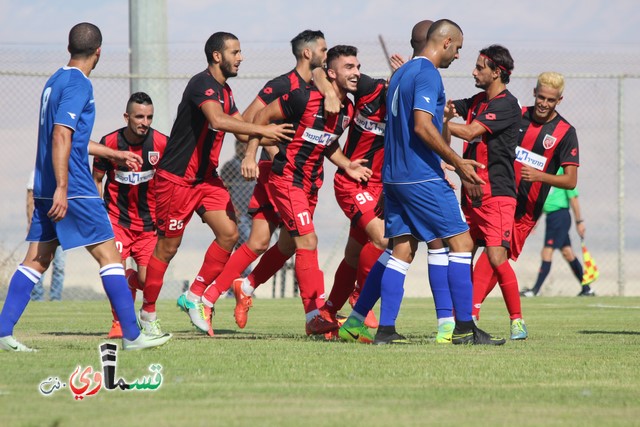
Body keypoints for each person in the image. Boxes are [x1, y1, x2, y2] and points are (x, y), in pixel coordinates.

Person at [0, 22, 171, 352]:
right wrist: (65, 187)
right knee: (109, 255)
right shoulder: (80, 84)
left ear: (69, 48)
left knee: (38, 257)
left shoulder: (54, 81)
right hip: (74, 185)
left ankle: (4, 332)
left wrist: (113, 153)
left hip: (45, 183)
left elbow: (73, 139)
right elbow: (61, 135)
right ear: (99, 52)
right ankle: (133, 336)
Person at [340, 19, 504, 346]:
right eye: (457, 49)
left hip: (396, 176)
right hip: (421, 176)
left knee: (401, 249)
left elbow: (395, 131)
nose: (457, 56)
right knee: (462, 244)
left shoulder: (400, 75)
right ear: (444, 42)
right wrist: (456, 163)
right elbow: (420, 126)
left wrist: (390, 184)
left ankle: (376, 326)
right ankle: (462, 328)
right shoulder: (428, 73)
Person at [144, 31, 292, 336]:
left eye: (240, 52)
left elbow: (240, 133)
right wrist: (262, 130)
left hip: (206, 179)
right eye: (235, 52)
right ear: (217, 56)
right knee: (167, 248)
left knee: (229, 234)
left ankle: (194, 295)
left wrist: (277, 137)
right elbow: (218, 122)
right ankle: (147, 316)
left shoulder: (226, 92)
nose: (241, 57)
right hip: (176, 179)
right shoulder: (202, 84)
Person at [196, 30, 336, 330]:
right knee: (302, 241)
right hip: (282, 177)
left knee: (272, 242)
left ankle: (231, 291)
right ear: (308, 53)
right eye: (323, 49)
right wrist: (256, 154)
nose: (327, 54)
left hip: (302, 179)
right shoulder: (282, 86)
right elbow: (247, 125)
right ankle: (316, 316)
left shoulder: (322, 86)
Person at [240, 44, 372, 335]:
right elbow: (260, 118)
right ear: (332, 72)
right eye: (349, 67)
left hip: (311, 184)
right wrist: (250, 154)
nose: (356, 73)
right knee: (308, 241)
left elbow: (328, 143)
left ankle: (246, 284)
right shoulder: (302, 97)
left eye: (358, 67)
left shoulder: (348, 108)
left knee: (289, 245)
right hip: (286, 178)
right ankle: (315, 316)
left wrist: (347, 165)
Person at [470, 72, 581, 328]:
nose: (544, 103)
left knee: (493, 257)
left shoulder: (565, 132)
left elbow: (571, 181)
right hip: (494, 196)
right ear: (534, 92)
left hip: (524, 212)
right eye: (541, 97)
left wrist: (540, 176)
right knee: (469, 250)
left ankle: (469, 313)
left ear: (559, 100)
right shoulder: (516, 114)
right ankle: (467, 312)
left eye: (550, 100)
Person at [447, 44, 524, 340]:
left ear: (497, 73)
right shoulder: (478, 100)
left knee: (496, 257)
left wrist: (431, 123)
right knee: (460, 252)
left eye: (480, 68)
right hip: (471, 194)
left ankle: (517, 320)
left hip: (497, 195)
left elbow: (467, 132)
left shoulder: (506, 104)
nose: (474, 71)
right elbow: (450, 109)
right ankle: (462, 321)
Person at [92, 92, 168, 339]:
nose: (144, 122)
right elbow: (97, 179)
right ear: (127, 117)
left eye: (149, 117)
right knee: (114, 270)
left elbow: (171, 182)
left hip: (149, 224)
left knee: (147, 281)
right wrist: (99, 214)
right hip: (117, 221)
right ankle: (118, 322)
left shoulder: (161, 144)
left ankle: (129, 280)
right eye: (139, 117)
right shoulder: (109, 143)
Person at [520, 169, 592, 296]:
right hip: (551, 218)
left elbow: (573, 198)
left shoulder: (563, 173)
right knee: (568, 253)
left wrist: (579, 221)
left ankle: (535, 290)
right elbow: (545, 201)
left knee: (546, 252)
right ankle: (587, 288)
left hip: (559, 216)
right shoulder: (545, 171)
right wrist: (536, 221)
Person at [26, 170, 65, 301]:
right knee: (38, 263)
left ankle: (55, 299)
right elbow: (30, 199)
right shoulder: (37, 172)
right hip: (42, 226)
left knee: (59, 265)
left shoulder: (65, 171)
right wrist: (30, 222)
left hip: (61, 224)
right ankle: (37, 298)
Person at [219, 140, 256, 272]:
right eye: (241, 145)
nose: (244, 148)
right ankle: (241, 282)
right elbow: (223, 190)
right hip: (240, 215)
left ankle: (238, 283)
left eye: (246, 145)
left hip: (254, 213)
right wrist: (234, 210)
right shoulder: (230, 166)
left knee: (252, 246)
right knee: (244, 246)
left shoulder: (254, 165)